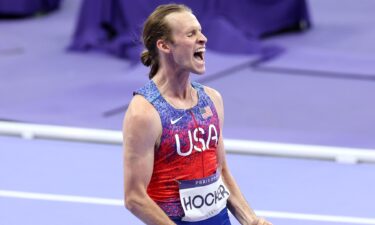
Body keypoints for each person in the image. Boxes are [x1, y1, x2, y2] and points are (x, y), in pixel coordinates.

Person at [123, 4, 273, 225]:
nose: (203, 39)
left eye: (200, 31)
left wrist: (251, 220)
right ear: (164, 45)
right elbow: (135, 198)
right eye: (191, 34)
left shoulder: (212, 100)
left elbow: (219, 170)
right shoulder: (144, 112)